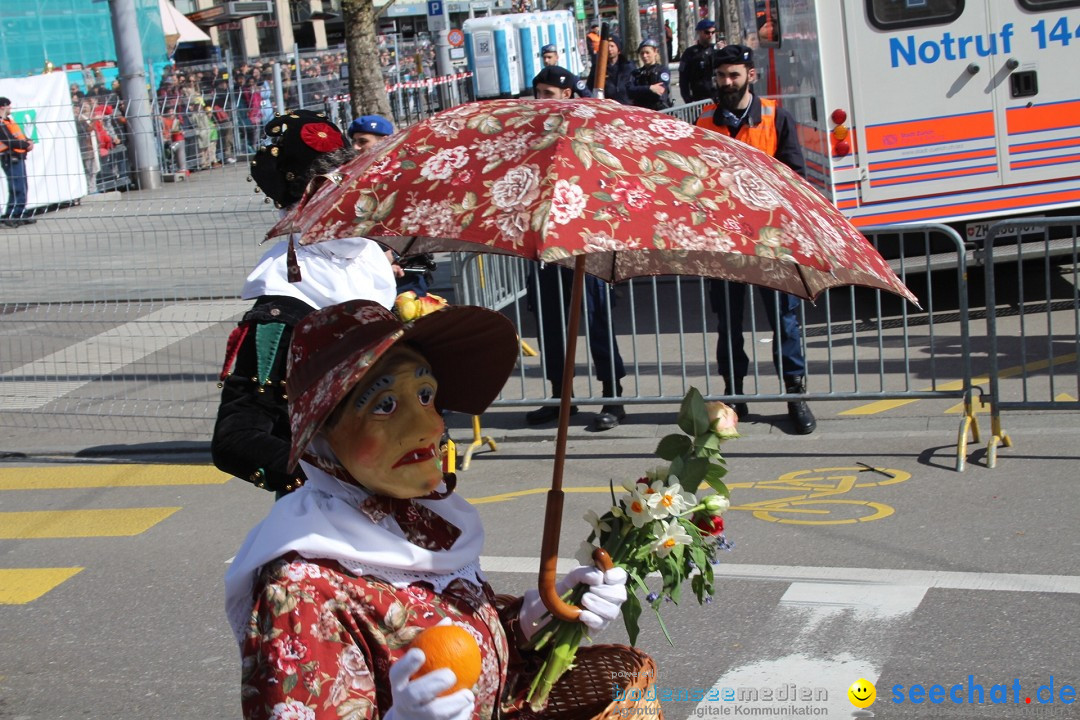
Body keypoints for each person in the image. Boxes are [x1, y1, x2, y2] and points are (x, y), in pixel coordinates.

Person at [225, 298, 629, 719]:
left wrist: (544, 612)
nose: (430, 427)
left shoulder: (425, 521)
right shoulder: (300, 590)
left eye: (425, 395)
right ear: (322, 437)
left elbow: (470, 645)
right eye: (384, 405)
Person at [212, 110, 398, 496]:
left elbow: (233, 443)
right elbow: (236, 441)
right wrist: (336, 481)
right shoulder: (287, 299)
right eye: (339, 184)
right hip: (340, 511)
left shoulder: (369, 262)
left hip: (384, 497)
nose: (352, 194)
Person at [695, 44, 816, 434]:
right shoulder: (704, 122)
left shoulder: (775, 118)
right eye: (722, 76)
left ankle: (795, 395)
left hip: (771, 241)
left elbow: (796, 175)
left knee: (784, 321)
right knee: (728, 323)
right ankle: (734, 395)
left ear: (752, 75)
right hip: (725, 242)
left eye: (734, 75)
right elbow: (693, 178)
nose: (727, 83)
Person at [526, 67, 628, 431]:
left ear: (567, 94)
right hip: (546, 240)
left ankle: (612, 396)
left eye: (548, 93)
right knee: (551, 324)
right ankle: (559, 396)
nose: (540, 100)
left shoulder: (590, 125)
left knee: (598, 321)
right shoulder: (534, 131)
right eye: (537, 92)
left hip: (587, 239)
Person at [0, 97, 35, 227]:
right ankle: (11, 215)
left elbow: (19, 135)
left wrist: (28, 140)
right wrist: (26, 145)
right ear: (2, 107)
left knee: (23, 186)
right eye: (8, 106)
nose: (10, 108)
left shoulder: (9, 121)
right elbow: (8, 140)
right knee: (16, 188)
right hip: (9, 157)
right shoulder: (1, 123)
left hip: (18, 156)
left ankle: (20, 213)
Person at [585, 35, 634, 106]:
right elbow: (589, 87)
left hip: (626, 105)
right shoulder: (598, 67)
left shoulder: (628, 66)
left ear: (618, 49)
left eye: (612, 46)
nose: (609, 49)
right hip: (607, 107)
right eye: (607, 46)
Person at [678, 19, 718, 103]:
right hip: (698, 98)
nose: (710, 35)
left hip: (716, 97)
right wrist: (687, 98)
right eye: (707, 32)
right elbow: (683, 79)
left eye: (713, 32)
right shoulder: (690, 53)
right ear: (699, 32)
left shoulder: (716, 51)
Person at [628, 39, 672, 110]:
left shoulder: (662, 70)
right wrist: (650, 88)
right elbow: (630, 91)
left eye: (647, 52)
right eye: (642, 53)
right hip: (642, 111)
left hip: (659, 111)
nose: (644, 56)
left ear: (655, 52)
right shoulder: (637, 73)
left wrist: (639, 90)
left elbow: (660, 89)